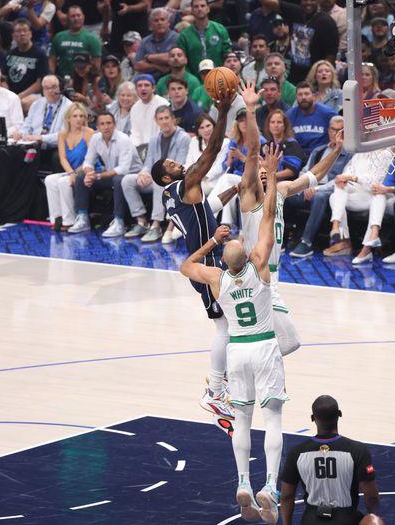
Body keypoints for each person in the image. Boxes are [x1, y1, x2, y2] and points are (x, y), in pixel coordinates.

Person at [179, 141, 285, 525]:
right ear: (250, 255)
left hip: (237, 351)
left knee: (242, 421)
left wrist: (212, 242)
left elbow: (184, 265)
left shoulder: (216, 279)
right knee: (273, 418)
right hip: (264, 346)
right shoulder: (260, 268)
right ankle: (270, 486)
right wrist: (269, 175)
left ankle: (242, 480)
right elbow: (269, 214)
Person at [148, 90, 236, 433]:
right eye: (171, 165)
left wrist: (239, 187)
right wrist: (223, 110)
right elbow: (212, 151)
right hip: (207, 260)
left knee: (229, 325)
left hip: (211, 257)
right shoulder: (185, 185)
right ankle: (215, 391)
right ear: (167, 178)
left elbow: (209, 208)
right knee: (224, 327)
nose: (178, 163)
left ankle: (221, 383)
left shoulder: (180, 195)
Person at [239, 80, 343, 357]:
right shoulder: (248, 196)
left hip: (273, 275)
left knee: (268, 338)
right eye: (258, 169)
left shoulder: (281, 190)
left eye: (266, 169)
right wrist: (250, 110)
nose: (261, 171)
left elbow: (315, 175)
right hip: (256, 277)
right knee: (289, 342)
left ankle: (239, 371)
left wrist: (336, 150)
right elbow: (251, 151)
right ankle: (238, 370)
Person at [280, 395, 380, 525]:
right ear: (339, 414)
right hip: (346, 518)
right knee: (374, 521)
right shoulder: (358, 450)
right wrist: (372, 514)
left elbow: (286, 496)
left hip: (311, 519)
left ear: (312, 418)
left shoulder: (297, 453)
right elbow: (371, 496)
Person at [121, 105, 191, 243]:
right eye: (161, 119)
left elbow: (180, 165)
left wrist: (154, 176)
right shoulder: (154, 139)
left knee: (161, 182)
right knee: (127, 181)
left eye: (167, 118)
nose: (164, 121)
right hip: (156, 178)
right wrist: (144, 173)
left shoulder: (184, 138)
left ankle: (157, 225)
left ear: (173, 119)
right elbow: (149, 162)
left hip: (173, 180)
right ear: (156, 121)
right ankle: (142, 222)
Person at [287, 116, 354, 258]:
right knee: (284, 196)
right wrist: (303, 185)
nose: (336, 134)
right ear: (328, 131)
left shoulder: (350, 154)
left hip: (330, 191)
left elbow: (341, 180)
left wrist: (315, 189)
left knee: (319, 197)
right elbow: (305, 171)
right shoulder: (318, 150)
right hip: (308, 186)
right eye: (333, 130)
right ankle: (284, 237)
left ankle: (306, 242)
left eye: (339, 130)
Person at [73, 111, 142, 234]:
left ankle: (119, 222)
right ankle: (83, 217)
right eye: (102, 124)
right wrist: (89, 174)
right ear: (98, 127)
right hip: (111, 174)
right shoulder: (95, 138)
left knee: (119, 179)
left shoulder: (123, 139)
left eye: (109, 123)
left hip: (132, 176)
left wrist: (97, 176)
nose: (106, 127)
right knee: (81, 177)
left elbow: (123, 169)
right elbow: (88, 162)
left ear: (114, 125)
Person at [45, 102, 94, 232]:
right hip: (72, 171)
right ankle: (57, 218)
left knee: (62, 181)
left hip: (87, 170)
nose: (79, 119)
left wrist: (74, 173)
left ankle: (70, 220)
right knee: (49, 179)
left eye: (82, 116)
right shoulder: (62, 134)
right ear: (68, 118)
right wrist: (71, 173)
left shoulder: (89, 133)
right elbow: (63, 158)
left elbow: (91, 159)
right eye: (75, 116)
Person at [177, 0, 232, 77]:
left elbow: (227, 53)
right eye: (196, 6)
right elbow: (182, 61)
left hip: (219, 76)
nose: (199, 9)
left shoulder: (220, 29)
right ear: (192, 10)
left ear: (208, 9)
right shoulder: (185, 35)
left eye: (202, 6)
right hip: (195, 78)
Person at [2, 19, 48, 112]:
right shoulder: (9, 54)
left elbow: (40, 83)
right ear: (14, 36)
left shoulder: (40, 54)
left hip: (33, 94)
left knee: (23, 103)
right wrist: (10, 95)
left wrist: (20, 96)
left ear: (30, 33)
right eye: (18, 31)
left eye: (25, 30)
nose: (22, 34)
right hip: (12, 93)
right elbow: (3, 78)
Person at [14, 74, 70, 149]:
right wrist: (21, 133)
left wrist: (41, 138)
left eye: (53, 87)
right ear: (42, 90)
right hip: (35, 146)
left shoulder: (69, 107)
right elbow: (27, 125)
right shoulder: (36, 104)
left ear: (60, 88)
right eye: (46, 88)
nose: (50, 91)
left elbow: (64, 135)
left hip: (57, 148)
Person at [49, 5, 101, 78]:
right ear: (68, 18)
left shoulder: (93, 39)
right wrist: (51, 77)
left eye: (78, 15)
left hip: (83, 79)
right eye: (72, 16)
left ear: (83, 17)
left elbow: (96, 65)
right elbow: (52, 60)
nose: (76, 18)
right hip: (61, 78)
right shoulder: (58, 37)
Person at [286, 82, 337, 156]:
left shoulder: (328, 113)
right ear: (296, 97)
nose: (303, 97)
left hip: (322, 155)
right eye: (300, 94)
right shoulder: (289, 115)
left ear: (314, 96)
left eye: (306, 94)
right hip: (298, 156)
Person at [132, 8, 178, 78]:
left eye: (162, 19)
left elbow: (171, 58)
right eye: (156, 20)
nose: (159, 23)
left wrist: (148, 57)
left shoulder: (176, 38)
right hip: (148, 81)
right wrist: (157, 66)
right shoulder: (145, 41)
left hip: (171, 79)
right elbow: (137, 65)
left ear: (168, 23)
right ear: (151, 24)